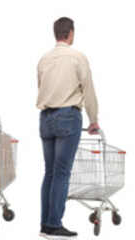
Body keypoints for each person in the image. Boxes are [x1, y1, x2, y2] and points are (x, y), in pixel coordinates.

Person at [37, 16, 99, 240]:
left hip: (45, 117)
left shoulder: (44, 59)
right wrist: (94, 119)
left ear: (56, 34)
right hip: (67, 117)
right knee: (62, 173)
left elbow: (41, 87)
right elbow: (88, 89)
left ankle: (45, 223)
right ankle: (54, 224)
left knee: (50, 172)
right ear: (71, 33)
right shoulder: (77, 57)